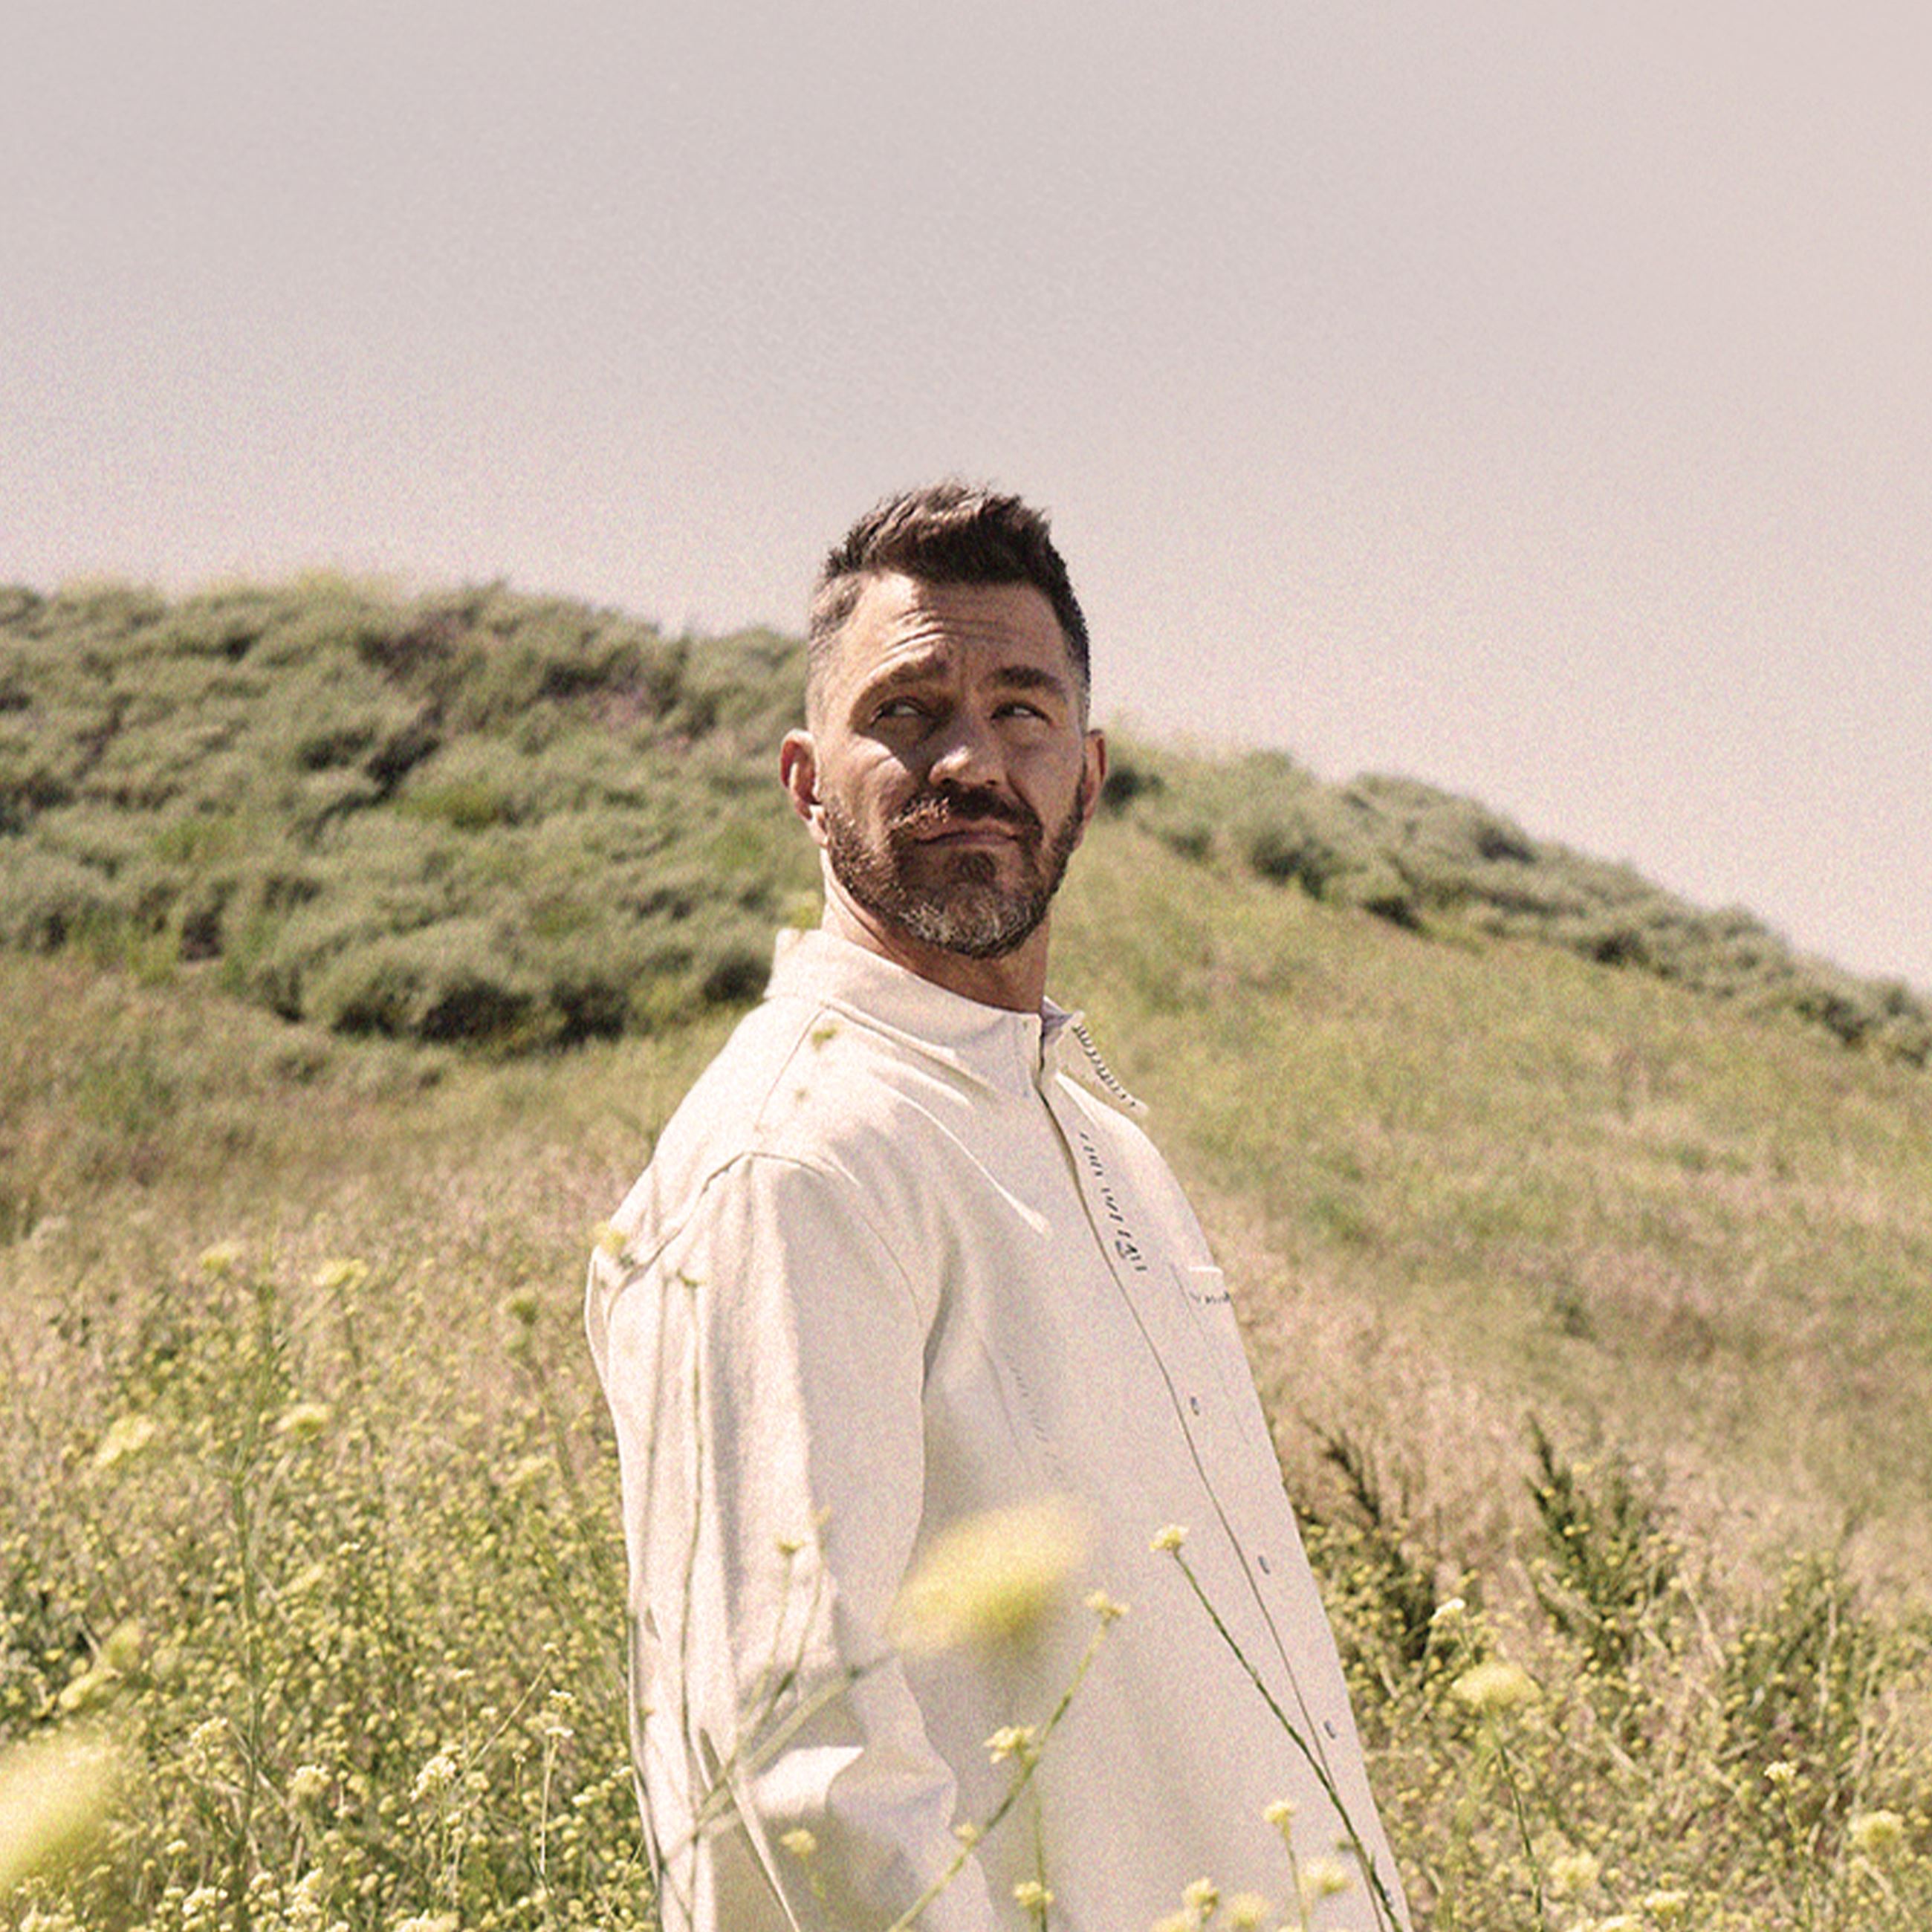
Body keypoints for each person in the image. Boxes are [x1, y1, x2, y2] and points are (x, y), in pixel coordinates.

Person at [586, 483, 1410, 1932]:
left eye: (1021, 711)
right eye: (905, 711)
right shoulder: (796, 1162)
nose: (971, 757)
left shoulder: (1099, 1138)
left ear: (1086, 775)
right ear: (801, 778)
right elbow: (785, 1780)